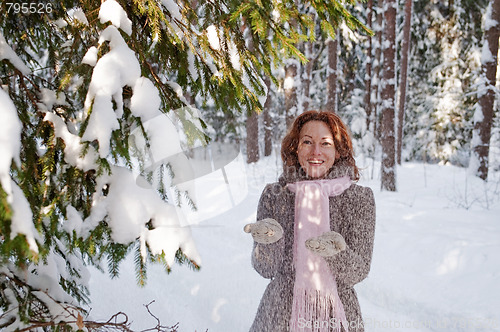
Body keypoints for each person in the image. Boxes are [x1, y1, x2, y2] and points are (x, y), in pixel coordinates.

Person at [244, 110, 376, 332]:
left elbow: (358, 271)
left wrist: (335, 251)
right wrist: (269, 242)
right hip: (279, 317)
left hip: (337, 317)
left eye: (325, 143)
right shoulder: (275, 195)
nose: (316, 152)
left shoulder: (359, 199)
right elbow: (265, 269)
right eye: (307, 142)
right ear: (295, 147)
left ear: (339, 150)